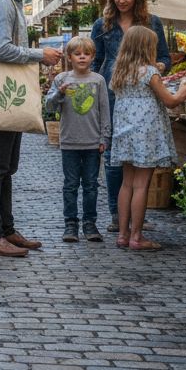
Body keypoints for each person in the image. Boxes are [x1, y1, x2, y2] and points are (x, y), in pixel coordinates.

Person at [0, 0, 64, 258]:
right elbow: (1, 50)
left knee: (6, 166)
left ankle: (5, 229)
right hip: (3, 93)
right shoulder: (2, 4)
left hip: (8, 92)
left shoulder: (10, 2)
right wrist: (40, 55)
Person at [90, 0, 171, 233]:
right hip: (111, 93)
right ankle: (117, 215)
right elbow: (95, 60)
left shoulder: (153, 23)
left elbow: (166, 58)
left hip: (144, 95)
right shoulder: (102, 25)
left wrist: (158, 66)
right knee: (115, 154)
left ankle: (132, 219)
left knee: (139, 156)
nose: (122, 0)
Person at [108, 26, 186, 252]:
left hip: (125, 132)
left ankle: (122, 234)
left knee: (126, 183)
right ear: (147, 48)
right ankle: (137, 237)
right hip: (145, 134)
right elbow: (170, 100)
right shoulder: (149, 73)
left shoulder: (119, 72)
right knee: (142, 185)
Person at [44, 37, 110, 244]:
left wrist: (104, 136)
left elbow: (104, 111)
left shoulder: (98, 80)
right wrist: (59, 94)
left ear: (92, 57)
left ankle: (90, 223)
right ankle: (70, 224)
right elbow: (50, 107)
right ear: (70, 57)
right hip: (69, 141)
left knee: (91, 185)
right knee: (70, 185)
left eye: (86, 53)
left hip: (92, 142)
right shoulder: (61, 79)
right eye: (77, 53)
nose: (82, 57)